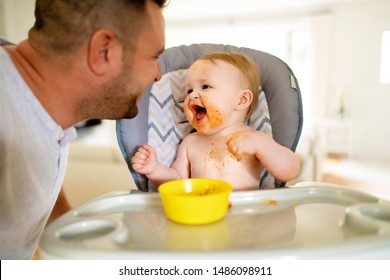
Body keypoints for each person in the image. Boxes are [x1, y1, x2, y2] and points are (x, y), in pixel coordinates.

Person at [0, 0, 167, 259]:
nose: (158, 74)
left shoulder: (38, 97)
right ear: (103, 51)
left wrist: (63, 224)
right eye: (153, 56)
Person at [131, 52, 300, 190]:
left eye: (205, 87)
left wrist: (263, 146)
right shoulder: (190, 142)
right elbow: (179, 183)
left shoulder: (252, 139)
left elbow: (291, 170)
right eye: (189, 90)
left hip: (245, 220)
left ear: (241, 100)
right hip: (203, 217)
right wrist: (156, 169)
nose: (192, 95)